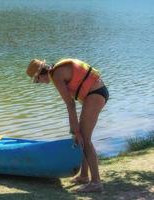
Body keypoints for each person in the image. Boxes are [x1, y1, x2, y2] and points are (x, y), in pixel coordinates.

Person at [26, 58, 109, 193]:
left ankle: (96, 182)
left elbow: (70, 104)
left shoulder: (56, 75)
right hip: (96, 93)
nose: (39, 83)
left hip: (95, 94)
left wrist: (75, 130)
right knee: (82, 137)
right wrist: (75, 131)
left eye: (37, 80)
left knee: (85, 140)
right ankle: (83, 176)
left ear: (41, 74)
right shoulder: (57, 72)